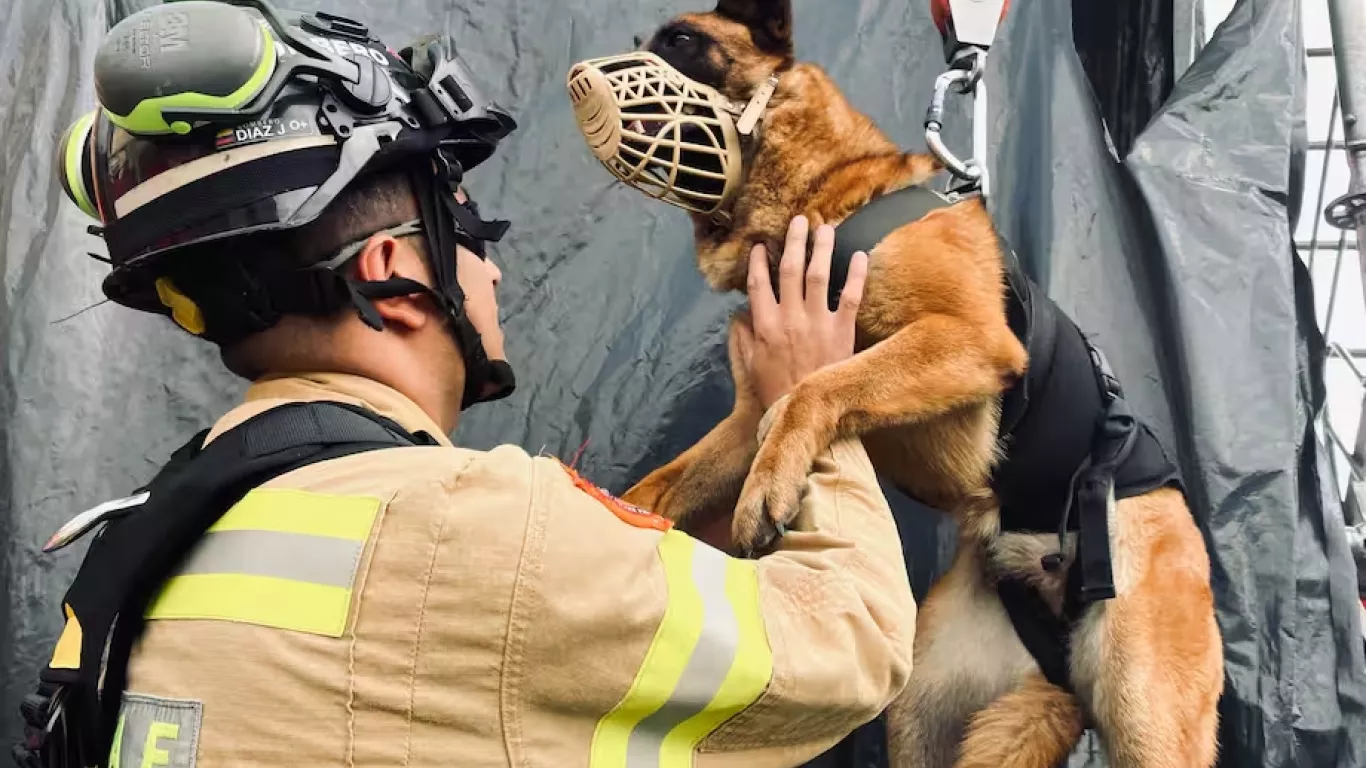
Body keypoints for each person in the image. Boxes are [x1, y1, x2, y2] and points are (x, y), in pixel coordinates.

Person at [17, 2, 916, 767]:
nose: (491, 274)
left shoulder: (142, 536)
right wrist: (816, 400)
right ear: (387, 275)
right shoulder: (484, 529)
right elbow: (850, 645)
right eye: (468, 229)